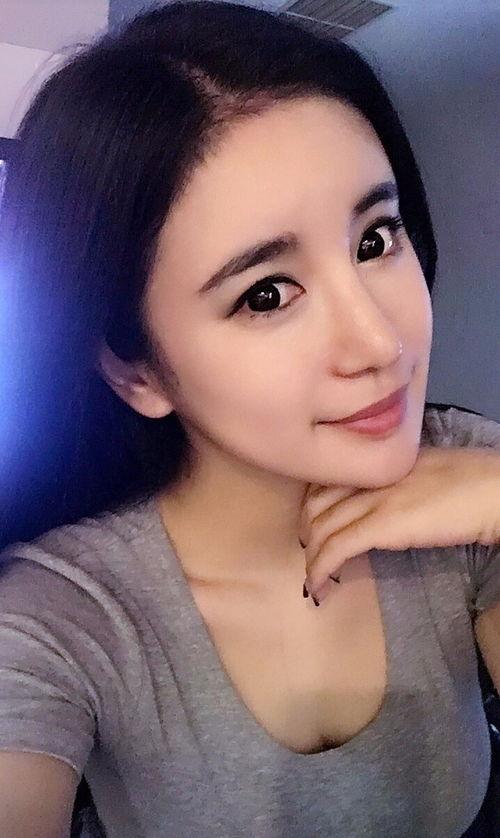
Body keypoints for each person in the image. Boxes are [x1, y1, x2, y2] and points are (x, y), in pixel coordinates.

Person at [0, 2, 498, 835]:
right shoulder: (65, 617)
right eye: (266, 294)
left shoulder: (469, 484)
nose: (380, 343)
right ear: (137, 369)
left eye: (376, 239)